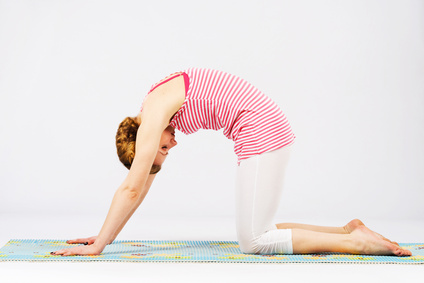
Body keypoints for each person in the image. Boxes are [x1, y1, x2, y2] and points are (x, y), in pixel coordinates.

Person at [51, 68, 411, 257]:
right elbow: (142, 185)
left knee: (254, 240)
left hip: (261, 128)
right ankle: (348, 231)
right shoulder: (155, 107)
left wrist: (98, 246)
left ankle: (358, 244)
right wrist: (106, 236)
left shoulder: (153, 116)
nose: (171, 146)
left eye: (162, 149)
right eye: (164, 150)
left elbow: (132, 185)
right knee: (261, 226)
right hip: (260, 125)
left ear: (139, 137)